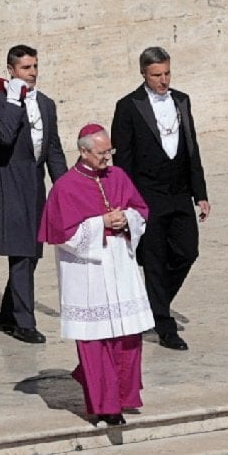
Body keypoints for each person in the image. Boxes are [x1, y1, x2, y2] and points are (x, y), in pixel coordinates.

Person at [40, 124, 154, 426]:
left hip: (120, 266)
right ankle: (106, 406)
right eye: (102, 153)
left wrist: (125, 219)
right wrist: (101, 222)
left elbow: (140, 210)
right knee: (95, 342)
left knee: (127, 337)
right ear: (84, 151)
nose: (108, 158)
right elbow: (61, 233)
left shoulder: (118, 176)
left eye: (110, 151)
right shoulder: (65, 187)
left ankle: (122, 396)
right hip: (87, 273)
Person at [111, 46, 210, 351]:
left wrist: (201, 194)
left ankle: (154, 304)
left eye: (167, 73)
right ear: (144, 74)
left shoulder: (181, 100)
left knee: (186, 251)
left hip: (179, 191)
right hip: (148, 194)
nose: (163, 80)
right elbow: (122, 160)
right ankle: (165, 326)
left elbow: (192, 149)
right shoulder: (128, 106)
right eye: (157, 75)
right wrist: (127, 201)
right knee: (153, 261)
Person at [0, 44, 68, 344]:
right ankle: (24, 321)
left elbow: (53, 149)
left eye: (34, 67)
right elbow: (3, 135)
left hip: (33, 184)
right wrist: (13, 101)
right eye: (25, 68)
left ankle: (9, 312)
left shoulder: (46, 103)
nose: (31, 74)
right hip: (7, 181)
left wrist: (67, 188)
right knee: (20, 252)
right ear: (11, 70)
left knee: (32, 253)